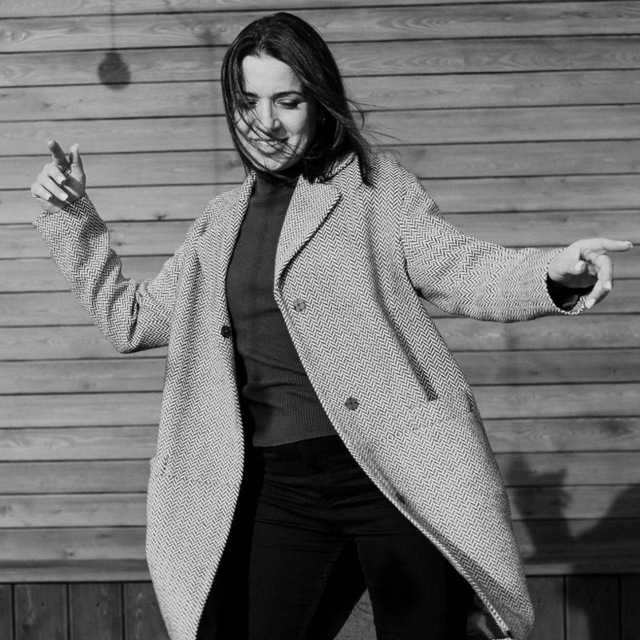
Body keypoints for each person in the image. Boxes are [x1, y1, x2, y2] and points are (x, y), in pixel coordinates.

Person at [31, 12, 631, 640]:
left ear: (318, 103)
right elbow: (130, 319)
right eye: (248, 102)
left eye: (287, 101)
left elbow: (464, 268)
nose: (265, 123)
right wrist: (72, 216)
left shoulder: (374, 191)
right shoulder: (218, 224)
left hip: (395, 471)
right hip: (278, 488)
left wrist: (551, 272)